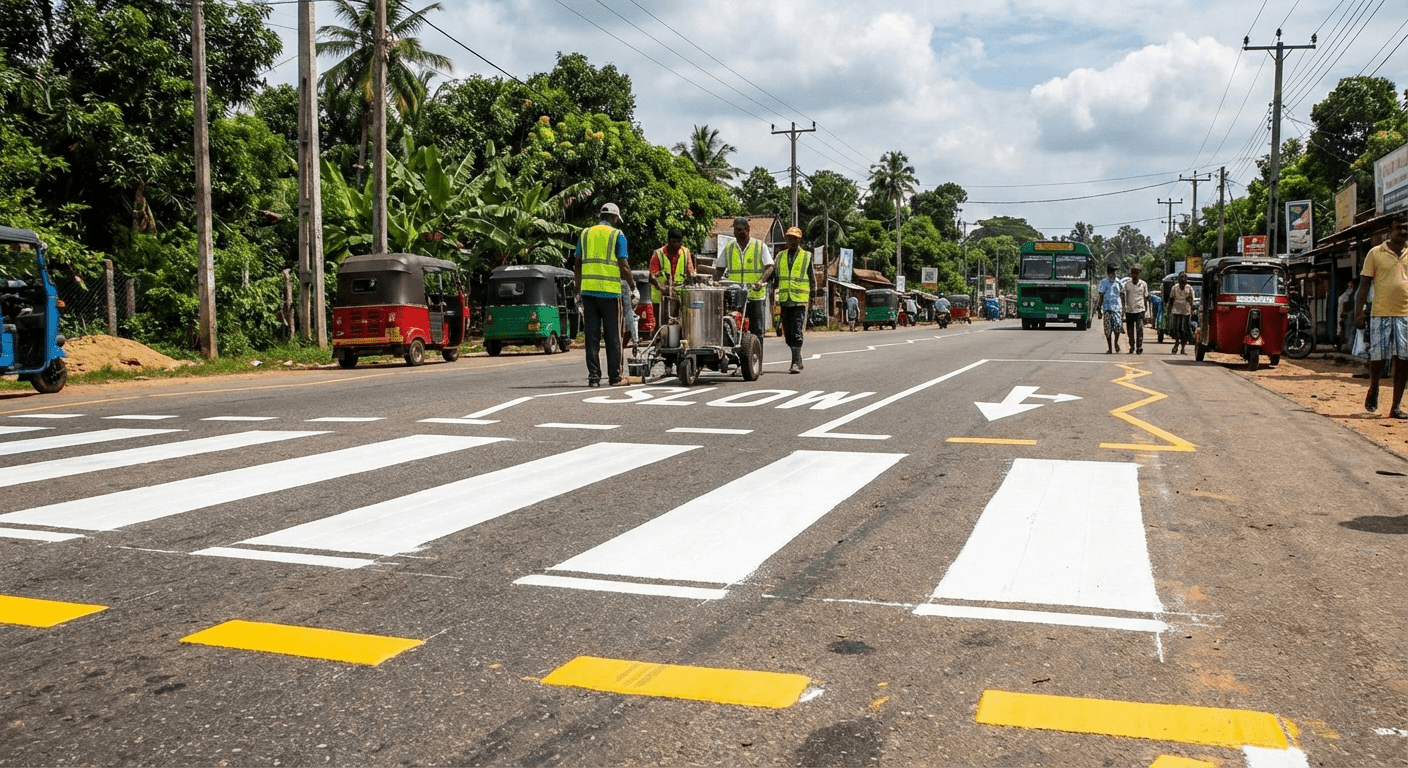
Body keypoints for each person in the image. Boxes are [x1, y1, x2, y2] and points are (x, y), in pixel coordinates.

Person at [574, 202, 636, 387]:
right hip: (609, 293)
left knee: (591, 337)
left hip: (588, 292)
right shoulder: (618, 235)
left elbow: (577, 264)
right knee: (612, 336)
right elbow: (623, 265)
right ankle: (615, 377)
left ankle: (594, 378)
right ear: (615, 218)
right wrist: (633, 287)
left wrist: (577, 290)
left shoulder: (585, 234)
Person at [1354, 215, 1408, 418]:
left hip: (1405, 315)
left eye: (1406, 228)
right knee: (1378, 358)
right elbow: (1364, 285)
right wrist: (1359, 313)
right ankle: (1374, 387)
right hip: (1380, 314)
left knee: (1403, 360)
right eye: (1399, 228)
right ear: (1389, 231)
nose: (1403, 232)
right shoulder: (1375, 253)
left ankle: (1396, 406)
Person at [717, 216, 774, 346]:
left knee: (756, 329)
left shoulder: (760, 246)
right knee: (734, 327)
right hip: (735, 296)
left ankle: (756, 359)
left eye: (740, 230)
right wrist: (715, 282)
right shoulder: (730, 246)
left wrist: (761, 281)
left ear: (747, 230)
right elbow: (719, 268)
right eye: (735, 230)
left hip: (755, 295)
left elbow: (770, 266)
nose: (736, 233)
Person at [774, 226, 814, 373]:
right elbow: (776, 277)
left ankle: (795, 362)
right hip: (785, 300)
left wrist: (813, 297)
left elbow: (812, 278)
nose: (790, 241)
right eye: (788, 238)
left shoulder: (806, 256)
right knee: (788, 333)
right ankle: (798, 358)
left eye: (793, 238)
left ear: (798, 240)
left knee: (797, 331)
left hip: (799, 300)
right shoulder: (780, 256)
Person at [649, 227, 693, 326]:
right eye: (674, 242)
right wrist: (662, 288)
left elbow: (691, 272)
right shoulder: (658, 254)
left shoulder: (685, 252)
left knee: (680, 324)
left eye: (679, 242)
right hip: (661, 297)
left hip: (679, 294)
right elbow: (652, 277)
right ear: (668, 241)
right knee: (661, 324)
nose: (676, 244)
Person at [1096, 264, 1125, 354]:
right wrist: (1099, 310)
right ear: (1109, 273)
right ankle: (1110, 348)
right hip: (1107, 309)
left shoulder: (1119, 283)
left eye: (1115, 271)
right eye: (1113, 271)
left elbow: (1123, 296)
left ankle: (1116, 343)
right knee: (1107, 330)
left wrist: (1124, 308)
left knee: (1117, 328)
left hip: (1117, 309)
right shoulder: (1103, 283)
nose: (1114, 273)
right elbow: (1100, 296)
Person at [1122, 265, 1150, 354]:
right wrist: (1123, 309)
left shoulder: (1143, 284)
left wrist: (1146, 313)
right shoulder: (1127, 285)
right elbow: (1123, 297)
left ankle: (1139, 346)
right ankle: (1132, 346)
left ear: (1139, 274)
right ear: (1131, 274)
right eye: (1133, 273)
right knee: (1130, 331)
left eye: (1136, 273)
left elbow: (1145, 298)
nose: (1135, 275)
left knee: (1139, 329)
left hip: (1140, 310)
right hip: (1129, 310)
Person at [1169, 271, 1195, 355]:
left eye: (1184, 279)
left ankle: (1183, 348)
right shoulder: (1175, 287)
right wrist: (1170, 311)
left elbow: (1192, 300)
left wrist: (1191, 308)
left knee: (1184, 330)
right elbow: (1171, 299)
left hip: (1186, 312)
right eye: (1181, 279)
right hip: (1176, 311)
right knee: (1177, 329)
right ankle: (1176, 343)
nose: (1183, 281)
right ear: (1179, 280)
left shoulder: (1189, 288)